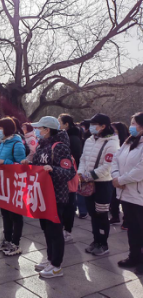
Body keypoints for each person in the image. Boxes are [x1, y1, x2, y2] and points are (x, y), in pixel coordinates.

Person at [22, 116, 75, 278]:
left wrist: (52, 169)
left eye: (40, 128)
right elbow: (38, 167)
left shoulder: (60, 147)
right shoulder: (41, 146)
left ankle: (56, 265)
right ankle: (50, 258)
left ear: (48, 129)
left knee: (55, 230)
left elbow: (69, 172)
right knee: (46, 229)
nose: (37, 131)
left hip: (56, 196)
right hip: (42, 194)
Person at [78, 113, 119, 256]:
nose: (91, 127)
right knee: (92, 214)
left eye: (94, 125)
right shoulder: (90, 139)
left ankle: (103, 243)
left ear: (103, 126)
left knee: (101, 214)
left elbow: (108, 166)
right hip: (88, 183)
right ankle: (96, 240)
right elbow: (83, 158)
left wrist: (89, 175)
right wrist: (81, 173)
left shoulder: (112, 142)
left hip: (103, 184)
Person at [112, 112, 143, 275]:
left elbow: (140, 169)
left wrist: (121, 180)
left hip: (140, 196)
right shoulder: (129, 141)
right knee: (133, 228)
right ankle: (134, 256)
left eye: (133, 122)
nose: (131, 125)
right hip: (127, 194)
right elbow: (115, 159)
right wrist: (116, 177)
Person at [0, 117, 26, 255]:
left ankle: (15, 243)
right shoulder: (3, 143)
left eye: (0, 128)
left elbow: (22, 165)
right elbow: (0, 160)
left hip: (14, 184)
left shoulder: (17, 144)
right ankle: (7, 239)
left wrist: (4, 162)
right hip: (2, 183)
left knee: (15, 215)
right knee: (5, 214)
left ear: (7, 129)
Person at [58, 114, 84, 242]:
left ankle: (67, 231)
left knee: (69, 205)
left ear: (66, 124)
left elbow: (77, 157)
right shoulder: (67, 137)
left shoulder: (72, 139)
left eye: (59, 122)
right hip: (62, 176)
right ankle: (62, 229)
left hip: (70, 176)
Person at [110, 122, 130, 229]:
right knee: (114, 198)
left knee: (125, 200)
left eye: (114, 131)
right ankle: (115, 216)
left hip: (126, 177)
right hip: (114, 175)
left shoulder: (128, 143)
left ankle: (126, 221)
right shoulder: (111, 142)